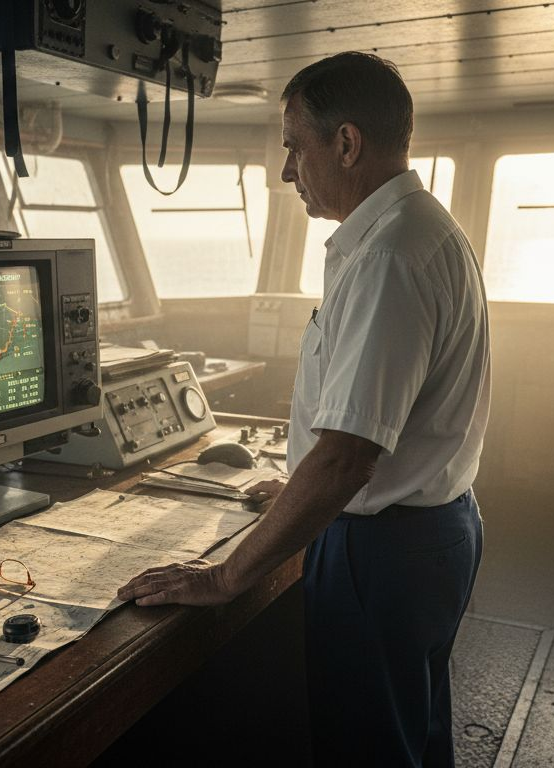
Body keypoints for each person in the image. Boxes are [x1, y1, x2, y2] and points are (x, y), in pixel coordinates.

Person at [117, 51, 491, 767]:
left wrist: (224, 577)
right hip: (433, 530)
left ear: (346, 143)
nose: (286, 170)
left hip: (382, 552)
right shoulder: (421, 229)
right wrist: (298, 488)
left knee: (368, 750)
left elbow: (348, 456)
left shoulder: (388, 257)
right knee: (413, 729)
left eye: (294, 147)